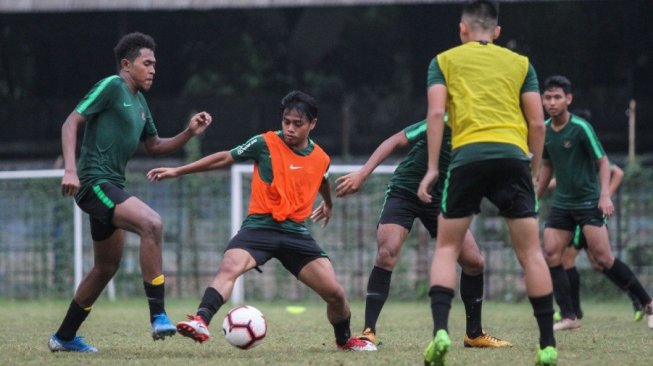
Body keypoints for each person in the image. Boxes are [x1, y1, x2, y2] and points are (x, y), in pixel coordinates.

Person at [147, 90, 376, 351]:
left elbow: (322, 177)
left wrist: (329, 203)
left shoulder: (321, 157)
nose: (290, 129)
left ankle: (345, 341)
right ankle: (201, 320)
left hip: (295, 233)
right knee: (229, 267)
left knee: (335, 294)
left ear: (312, 124)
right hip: (260, 227)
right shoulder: (264, 143)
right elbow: (224, 157)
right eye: (286, 122)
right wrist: (178, 170)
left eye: (297, 124)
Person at [48, 32, 213, 353]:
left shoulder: (139, 103)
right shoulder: (112, 86)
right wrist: (70, 169)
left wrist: (189, 133)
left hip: (111, 187)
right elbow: (71, 123)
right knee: (151, 223)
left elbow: (154, 146)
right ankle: (158, 315)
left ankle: (64, 337)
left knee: (106, 266)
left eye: (155, 65)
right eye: (147, 63)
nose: (153, 70)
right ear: (127, 65)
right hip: (94, 183)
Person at [415, 1, 557, 365]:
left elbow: (435, 113)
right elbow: (538, 124)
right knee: (531, 254)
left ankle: (441, 334)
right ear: (496, 32)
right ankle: (546, 345)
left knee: (447, 248)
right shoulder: (521, 64)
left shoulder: (443, 61)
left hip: (467, 157)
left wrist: (432, 167)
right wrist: (534, 166)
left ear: (462, 29)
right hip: (512, 156)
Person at [334, 118, 511, 349]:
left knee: (474, 262)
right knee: (387, 253)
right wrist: (363, 174)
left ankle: (474, 334)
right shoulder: (445, 118)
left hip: (440, 199)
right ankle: (368, 332)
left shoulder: (488, 132)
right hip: (405, 191)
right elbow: (396, 140)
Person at [536, 75, 653, 331]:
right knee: (551, 254)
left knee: (603, 259)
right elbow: (546, 166)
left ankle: (647, 302)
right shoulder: (544, 130)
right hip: (562, 205)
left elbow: (603, 162)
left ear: (568, 99)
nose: (552, 102)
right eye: (548, 97)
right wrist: (534, 196)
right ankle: (569, 316)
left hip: (588, 203)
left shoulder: (580, 128)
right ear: (542, 100)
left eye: (557, 97)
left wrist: (604, 195)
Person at [548, 164, 644, 322]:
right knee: (599, 263)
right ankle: (637, 299)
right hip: (581, 210)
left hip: (586, 212)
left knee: (571, 259)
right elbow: (563, 182)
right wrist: (538, 184)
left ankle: (574, 310)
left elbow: (618, 172)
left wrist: (605, 196)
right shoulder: (575, 160)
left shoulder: (592, 156)